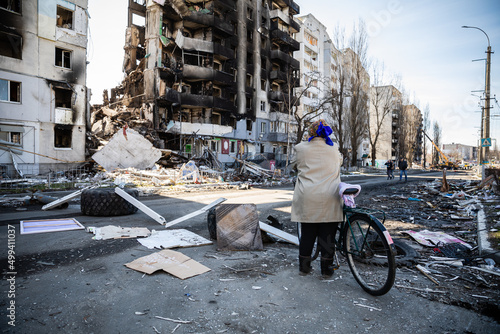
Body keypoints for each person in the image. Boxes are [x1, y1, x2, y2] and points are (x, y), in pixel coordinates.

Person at [291, 119, 343, 278]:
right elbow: (339, 164)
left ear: (310, 133)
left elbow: (294, 165)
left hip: (308, 197)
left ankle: (304, 268)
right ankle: (327, 270)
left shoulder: (300, 148)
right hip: (331, 197)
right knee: (328, 235)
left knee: (307, 234)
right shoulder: (334, 149)